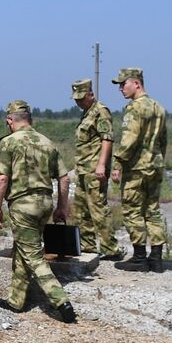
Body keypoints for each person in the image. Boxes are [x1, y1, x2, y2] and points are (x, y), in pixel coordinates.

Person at [0, 100, 77, 323]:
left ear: (10, 120)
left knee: (33, 255)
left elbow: (1, 178)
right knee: (23, 248)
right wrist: (61, 207)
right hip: (45, 204)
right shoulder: (47, 142)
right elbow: (64, 177)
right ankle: (16, 300)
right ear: (30, 119)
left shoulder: (9, 143)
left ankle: (61, 301)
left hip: (23, 206)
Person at [110, 67, 169, 272]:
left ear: (137, 83)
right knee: (152, 210)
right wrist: (158, 159)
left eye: (123, 83)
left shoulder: (134, 108)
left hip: (135, 168)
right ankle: (157, 258)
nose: (120, 89)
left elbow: (129, 139)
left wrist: (117, 164)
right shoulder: (159, 107)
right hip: (155, 165)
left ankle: (140, 257)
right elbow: (163, 140)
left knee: (133, 211)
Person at [70, 79, 121, 260]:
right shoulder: (87, 113)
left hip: (94, 169)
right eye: (76, 99)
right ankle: (88, 246)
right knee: (81, 210)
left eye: (81, 98)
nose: (78, 102)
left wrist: (101, 165)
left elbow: (107, 139)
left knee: (98, 208)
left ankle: (110, 248)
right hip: (83, 169)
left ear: (91, 94)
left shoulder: (100, 111)